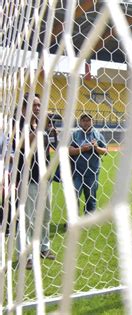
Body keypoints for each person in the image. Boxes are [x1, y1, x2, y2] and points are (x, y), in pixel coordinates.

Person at [17, 94, 56, 269]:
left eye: (40, 105)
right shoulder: (18, 124)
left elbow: (51, 146)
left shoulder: (43, 125)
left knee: (46, 216)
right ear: (24, 108)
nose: (38, 109)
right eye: (34, 105)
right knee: (28, 219)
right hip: (28, 179)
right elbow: (26, 144)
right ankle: (25, 256)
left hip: (45, 177)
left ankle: (43, 248)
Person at [69, 113, 108, 215]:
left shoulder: (98, 135)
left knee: (91, 195)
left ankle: (89, 217)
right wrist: (82, 149)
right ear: (80, 122)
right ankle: (73, 218)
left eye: (88, 120)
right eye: (84, 120)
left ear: (92, 122)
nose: (86, 122)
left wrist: (96, 147)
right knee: (74, 194)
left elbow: (105, 151)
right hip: (77, 171)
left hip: (92, 172)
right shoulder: (75, 134)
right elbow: (69, 150)